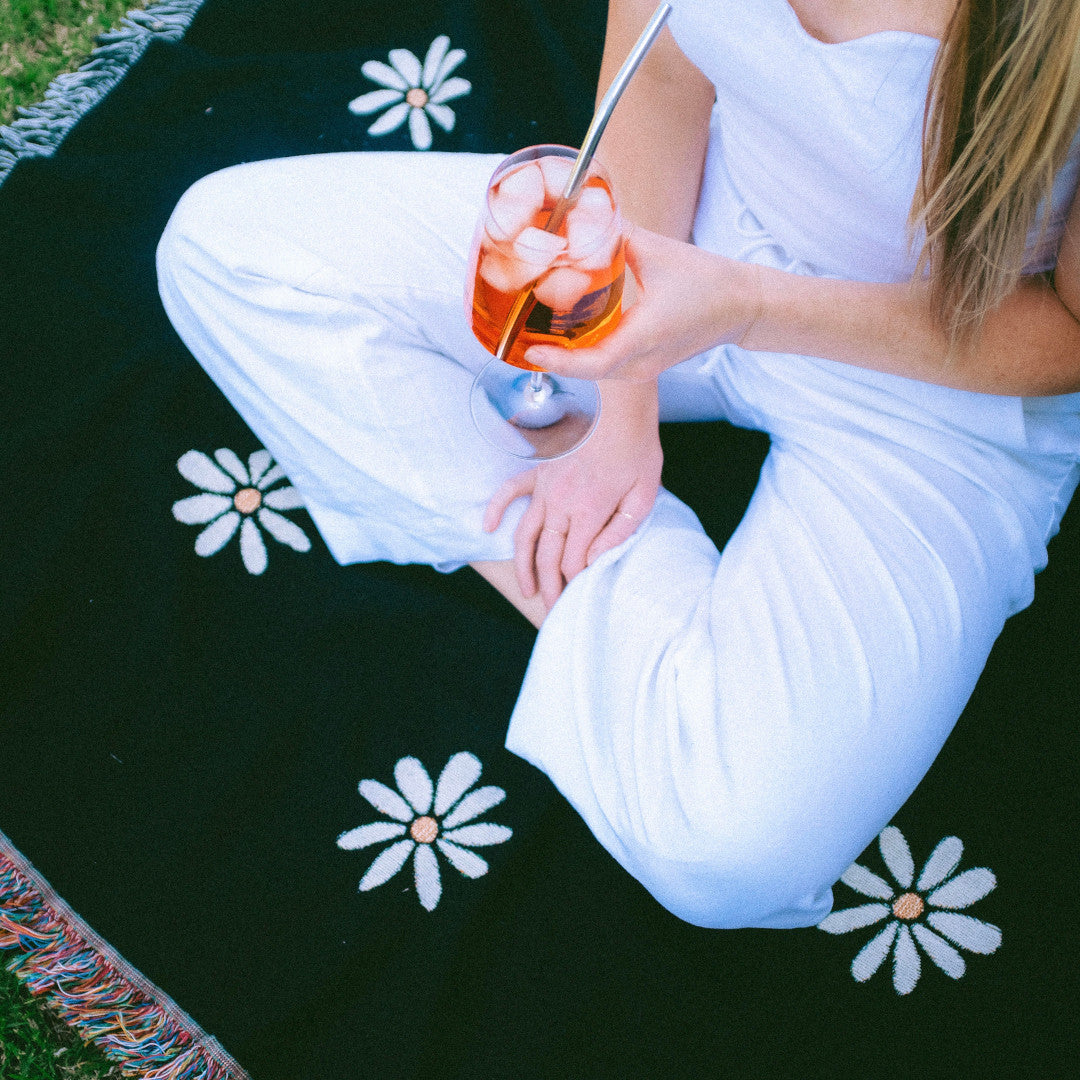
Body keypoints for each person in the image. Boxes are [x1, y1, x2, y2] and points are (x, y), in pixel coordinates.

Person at [156, 0, 1080, 928]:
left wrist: (747, 307)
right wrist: (620, 407)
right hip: (693, 242)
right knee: (226, 250)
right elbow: (664, 78)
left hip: (944, 380)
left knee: (725, 854)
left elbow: (1073, 333)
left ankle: (555, 535)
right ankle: (580, 521)